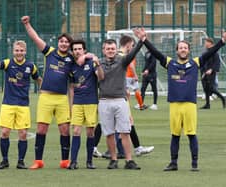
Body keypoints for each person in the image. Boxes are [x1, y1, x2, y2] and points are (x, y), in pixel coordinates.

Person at [137, 27, 226, 171]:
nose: (183, 50)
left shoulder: (195, 63)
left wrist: (223, 41)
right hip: (175, 105)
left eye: (185, 48)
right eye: (180, 48)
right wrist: (144, 40)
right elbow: (156, 53)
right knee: (175, 135)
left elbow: (211, 53)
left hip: (189, 105)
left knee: (191, 134)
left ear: (188, 50)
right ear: (177, 51)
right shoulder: (170, 63)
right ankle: (173, 163)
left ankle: (194, 164)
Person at [21, 16, 74, 169]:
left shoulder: (71, 59)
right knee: (41, 129)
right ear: (58, 43)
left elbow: (73, 83)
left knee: (64, 129)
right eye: (61, 41)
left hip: (62, 99)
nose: (63, 44)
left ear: (69, 45)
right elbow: (35, 37)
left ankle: (65, 161)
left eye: (66, 42)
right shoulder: (50, 52)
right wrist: (27, 24)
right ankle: (38, 161)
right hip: (46, 97)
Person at [0, 39, 42, 169]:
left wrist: (44, 91)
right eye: (16, 50)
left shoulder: (31, 66)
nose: (19, 53)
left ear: (25, 51)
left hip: (23, 105)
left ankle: (21, 161)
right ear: (13, 51)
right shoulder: (8, 63)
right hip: (8, 104)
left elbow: (38, 79)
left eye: (21, 50)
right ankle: (4, 160)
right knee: (4, 132)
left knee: (23, 134)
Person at [98, 30, 146, 170]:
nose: (110, 51)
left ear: (116, 49)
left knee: (125, 131)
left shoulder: (122, 61)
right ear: (103, 50)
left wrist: (142, 40)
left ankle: (129, 160)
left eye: (113, 48)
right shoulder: (98, 63)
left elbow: (133, 53)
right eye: (108, 49)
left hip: (120, 100)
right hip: (104, 101)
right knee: (109, 133)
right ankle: (113, 160)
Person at [68, 39, 104, 169]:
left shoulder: (91, 62)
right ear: (72, 52)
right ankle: (73, 162)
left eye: (79, 49)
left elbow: (100, 77)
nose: (77, 51)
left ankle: (89, 162)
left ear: (84, 50)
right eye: (75, 49)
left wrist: (97, 63)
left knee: (90, 132)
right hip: (77, 103)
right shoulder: (71, 66)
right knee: (76, 131)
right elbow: (71, 87)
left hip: (91, 102)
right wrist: (71, 106)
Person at [121, 37, 147, 110]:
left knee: (128, 91)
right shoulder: (129, 55)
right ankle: (140, 105)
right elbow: (131, 65)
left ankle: (138, 105)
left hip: (127, 75)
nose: (132, 47)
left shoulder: (125, 54)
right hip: (129, 75)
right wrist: (135, 75)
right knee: (134, 90)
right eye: (132, 45)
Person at [200, 38, 226, 109]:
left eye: (206, 42)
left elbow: (217, 62)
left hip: (211, 73)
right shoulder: (205, 52)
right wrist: (202, 71)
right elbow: (202, 62)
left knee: (211, 88)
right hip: (204, 72)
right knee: (206, 89)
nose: (205, 43)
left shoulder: (214, 52)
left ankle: (223, 98)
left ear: (210, 43)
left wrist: (211, 69)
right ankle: (207, 104)